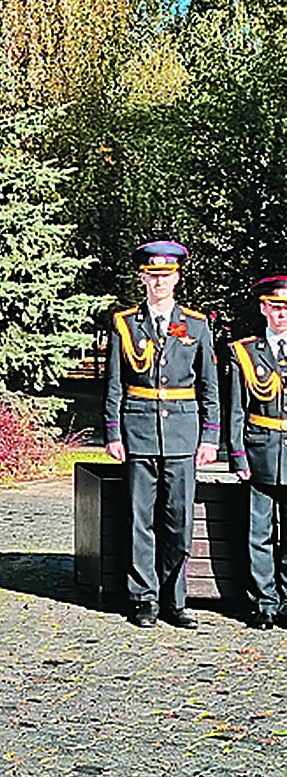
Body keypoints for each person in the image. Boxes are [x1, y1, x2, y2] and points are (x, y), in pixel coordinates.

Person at [103, 240, 220, 629]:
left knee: (178, 519)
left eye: (166, 276)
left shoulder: (197, 325)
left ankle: (175, 599)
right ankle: (143, 597)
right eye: (153, 276)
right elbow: (115, 385)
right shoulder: (125, 324)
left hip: (183, 434)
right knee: (140, 518)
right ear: (142, 278)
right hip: (138, 431)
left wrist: (209, 437)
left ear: (177, 278)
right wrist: (113, 432)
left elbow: (209, 386)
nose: (159, 283)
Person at [228, 274, 287, 630]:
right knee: (259, 532)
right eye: (276, 307)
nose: (283, 315)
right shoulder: (245, 353)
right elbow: (236, 408)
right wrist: (236, 454)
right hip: (260, 452)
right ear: (264, 308)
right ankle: (264, 602)